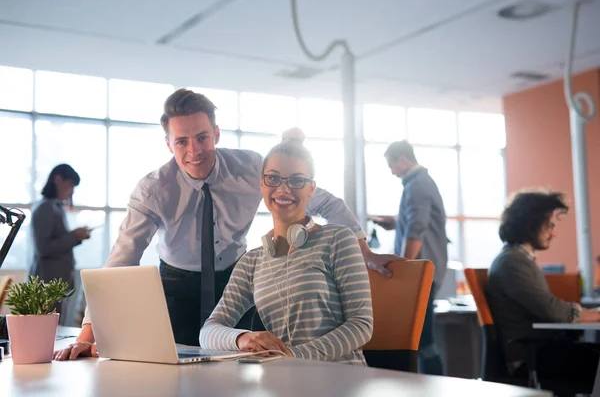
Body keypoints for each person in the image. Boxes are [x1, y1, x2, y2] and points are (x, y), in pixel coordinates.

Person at [54, 89, 397, 361]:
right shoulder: (154, 189)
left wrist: (362, 249)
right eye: (182, 141)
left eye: (202, 137)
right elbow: (120, 262)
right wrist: (87, 336)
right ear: (168, 143)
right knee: (177, 371)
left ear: (216, 133)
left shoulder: (250, 167)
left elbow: (320, 199)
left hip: (237, 282)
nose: (194, 150)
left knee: (242, 367)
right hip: (178, 285)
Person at [200, 139, 373, 364]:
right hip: (285, 381)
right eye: (273, 178)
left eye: (297, 180)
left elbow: (361, 324)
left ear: (311, 188)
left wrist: (294, 356)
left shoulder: (338, 240)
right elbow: (208, 332)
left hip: (342, 378)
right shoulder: (252, 261)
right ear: (261, 183)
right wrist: (242, 338)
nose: (283, 189)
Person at [486, 190, 600, 388]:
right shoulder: (512, 262)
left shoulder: (519, 260)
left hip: (539, 352)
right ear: (530, 223)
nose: (553, 233)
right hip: (529, 360)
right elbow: (553, 311)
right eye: (550, 226)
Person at [370, 140, 447, 375]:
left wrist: (403, 271)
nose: (392, 172)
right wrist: (395, 222)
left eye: (391, 165)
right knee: (422, 341)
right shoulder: (420, 184)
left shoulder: (417, 186)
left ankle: (434, 389)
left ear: (402, 159)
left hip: (420, 274)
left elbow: (416, 230)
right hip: (426, 271)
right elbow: (416, 221)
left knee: (423, 343)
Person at [29, 164, 90, 320]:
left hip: (55, 284)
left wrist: (75, 237)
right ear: (57, 179)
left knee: (55, 331)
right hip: (46, 284)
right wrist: (74, 236)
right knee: (47, 332)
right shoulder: (44, 208)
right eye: (70, 185)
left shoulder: (55, 207)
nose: (71, 190)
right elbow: (43, 248)